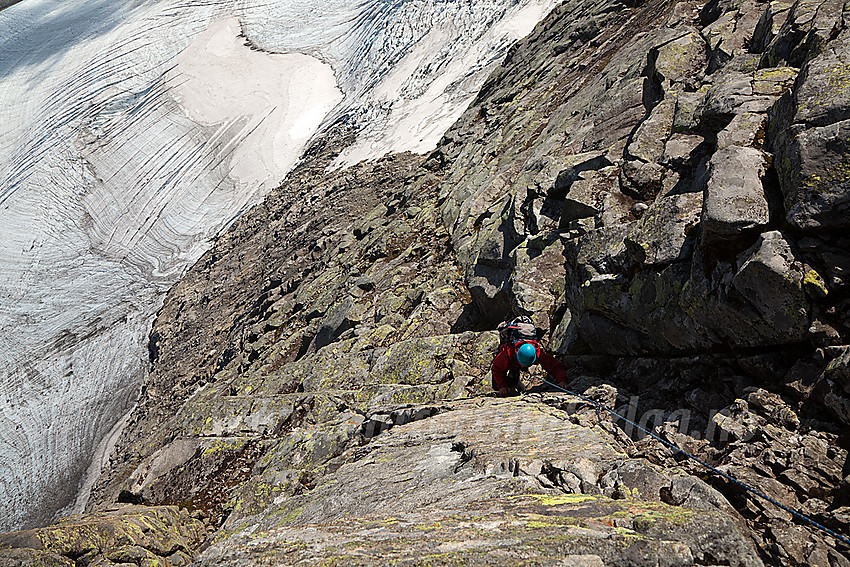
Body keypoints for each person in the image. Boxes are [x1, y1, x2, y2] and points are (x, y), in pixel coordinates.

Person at [491, 315, 569, 397]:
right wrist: (502, 386)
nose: (522, 366)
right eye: (522, 364)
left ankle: (515, 385)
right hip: (512, 362)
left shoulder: (538, 353)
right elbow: (497, 368)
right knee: (500, 385)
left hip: (515, 361)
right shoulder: (508, 352)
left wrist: (562, 380)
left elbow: (554, 366)